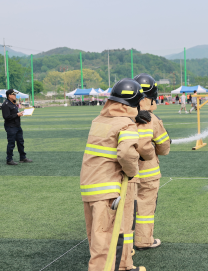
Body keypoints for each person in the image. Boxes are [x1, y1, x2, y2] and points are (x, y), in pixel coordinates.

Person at [80, 78, 146, 271]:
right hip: (108, 189)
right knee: (106, 239)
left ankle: (124, 265)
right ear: (134, 103)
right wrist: (132, 172)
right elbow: (126, 154)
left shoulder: (99, 120)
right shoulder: (126, 125)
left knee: (111, 232)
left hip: (90, 186)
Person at [133, 73, 171, 251]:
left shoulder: (123, 117)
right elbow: (164, 148)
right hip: (147, 174)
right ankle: (142, 241)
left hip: (123, 172)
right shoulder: (152, 120)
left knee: (124, 207)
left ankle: (122, 241)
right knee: (145, 207)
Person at [2, 89, 32, 165]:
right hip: (11, 126)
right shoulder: (6, 104)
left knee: (20, 142)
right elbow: (6, 117)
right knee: (11, 143)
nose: (15, 96)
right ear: (9, 95)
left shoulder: (13, 103)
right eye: (14, 94)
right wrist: (17, 115)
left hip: (17, 126)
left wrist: (20, 113)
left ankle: (22, 157)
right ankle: (9, 159)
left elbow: (14, 114)